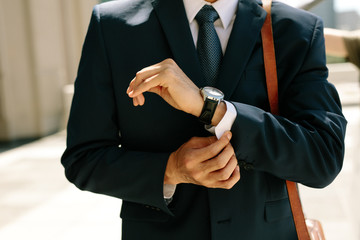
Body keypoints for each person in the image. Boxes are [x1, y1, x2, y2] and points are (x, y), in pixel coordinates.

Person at [61, 0, 347, 239]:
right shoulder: (113, 26)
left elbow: (323, 157)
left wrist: (214, 110)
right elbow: (83, 158)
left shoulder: (295, 30)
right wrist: (170, 170)